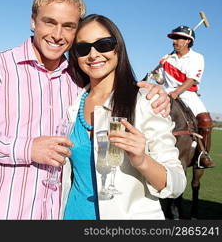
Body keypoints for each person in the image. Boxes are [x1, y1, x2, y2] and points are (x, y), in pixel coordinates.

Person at [0, 0, 170, 220]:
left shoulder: (78, 79)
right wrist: (27, 148)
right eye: (49, 22)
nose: (57, 35)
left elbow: (110, 84)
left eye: (68, 26)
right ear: (33, 21)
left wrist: (154, 92)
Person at [61, 14, 186, 219]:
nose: (93, 54)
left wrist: (142, 160)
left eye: (104, 44)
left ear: (117, 47)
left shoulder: (146, 101)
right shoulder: (72, 103)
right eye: (83, 48)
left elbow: (177, 184)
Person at [153, 26, 214, 168]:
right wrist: (156, 73)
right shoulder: (166, 59)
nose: (175, 41)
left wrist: (176, 92)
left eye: (178, 38)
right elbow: (161, 81)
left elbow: (191, 80)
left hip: (187, 94)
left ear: (187, 41)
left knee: (205, 120)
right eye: (174, 38)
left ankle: (202, 154)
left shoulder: (197, 57)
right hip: (166, 93)